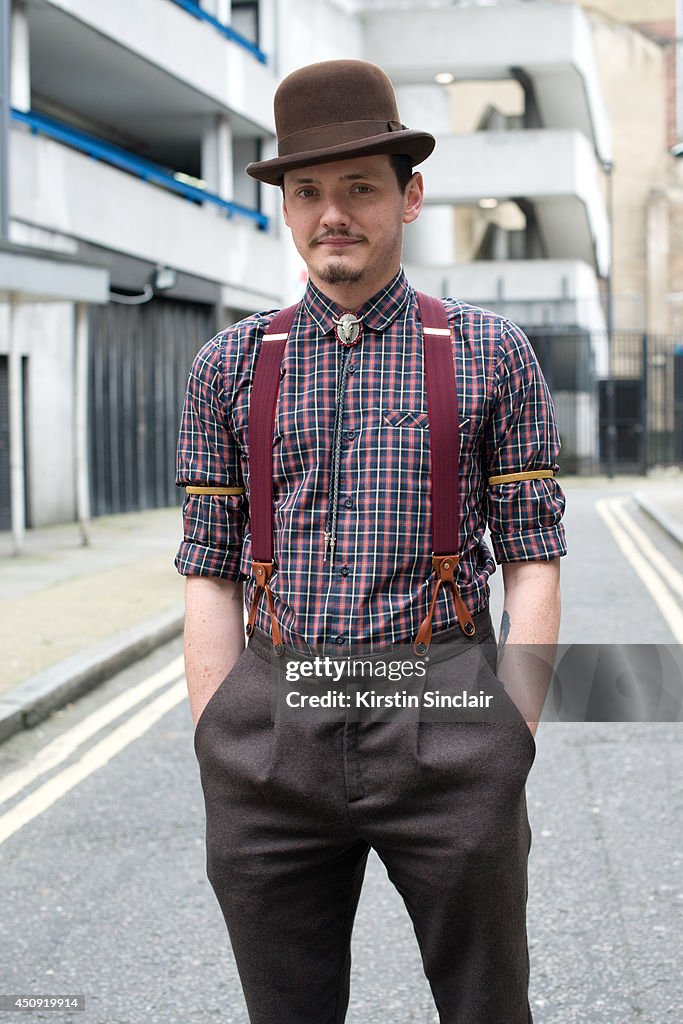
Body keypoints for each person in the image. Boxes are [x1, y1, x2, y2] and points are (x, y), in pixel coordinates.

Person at [175, 59, 566, 1024]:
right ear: (286, 208)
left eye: (359, 187)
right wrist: (218, 740)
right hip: (272, 732)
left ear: (410, 196)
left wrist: (507, 735)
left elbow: (532, 555)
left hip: (444, 714)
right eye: (307, 192)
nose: (331, 214)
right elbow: (209, 567)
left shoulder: (490, 352)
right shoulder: (227, 366)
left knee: (486, 1009)